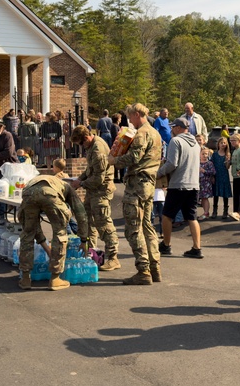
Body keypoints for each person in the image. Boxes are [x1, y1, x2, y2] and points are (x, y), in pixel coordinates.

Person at [112, 103, 163, 285]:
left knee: (133, 228)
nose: (128, 120)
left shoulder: (142, 133)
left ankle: (143, 270)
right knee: (147, 226)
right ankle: (154, 267)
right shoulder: (155, 133)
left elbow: (134, 157)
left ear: (136, 114)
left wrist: (113, 160)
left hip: (137, 184)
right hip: (149, 184)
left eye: (129, 117)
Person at [16, 173, 88, 291]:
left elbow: (34, 227)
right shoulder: (68, 188)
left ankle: (25, 279)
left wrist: (45, 246)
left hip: (28, 192)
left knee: (27, 233)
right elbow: (81, 215)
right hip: (50, 194)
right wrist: (84, 240)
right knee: (60, 233)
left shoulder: (45, 180)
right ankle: (55, 278)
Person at [70, 125, 120, 271]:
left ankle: (113, 257)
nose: (81, 147)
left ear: (86, 138)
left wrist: (81, 183)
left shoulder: (98, 150)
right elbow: (89, 170)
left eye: (80, 143)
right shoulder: (91, 146)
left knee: (103, 223)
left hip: (101, 191)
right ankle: (89, 251)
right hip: (93, 190)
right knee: (86, 220)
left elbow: (98, 178)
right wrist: (79, 179)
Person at [157, 116, 203, 258]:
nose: (171, 130)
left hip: (178, 184)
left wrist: (159, 173)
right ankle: (197, 248)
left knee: (167, 215)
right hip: (194, 185)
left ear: (178, 128)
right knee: (192, 217)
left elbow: (172, 163)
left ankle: (166, 245)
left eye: (173, 127)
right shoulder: (196, 143)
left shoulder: (175, 141)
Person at [211, 136, 233, 219]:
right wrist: (212, 176)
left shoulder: (227, 154)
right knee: (216, 194)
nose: (223, 144)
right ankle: (214, 210)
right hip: (216, 175)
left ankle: (225, 211)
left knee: (225, 194)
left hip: (224, 175)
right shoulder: (215, 154)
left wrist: (228, 162)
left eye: (224, 143)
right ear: (218, 144)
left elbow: (227, 167)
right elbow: (212, 165)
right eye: (221, 143)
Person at [198, 146, 215, 222]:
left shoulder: (209, 163)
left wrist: (204, 171)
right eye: (203, 154)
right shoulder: (197, 163)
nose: (205, 156)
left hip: (206, 183)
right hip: (198, 183)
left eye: (206, 154)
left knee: (205, 198)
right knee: (200, 198)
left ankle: (206, 213)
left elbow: (213, 172)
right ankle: (204, 212)